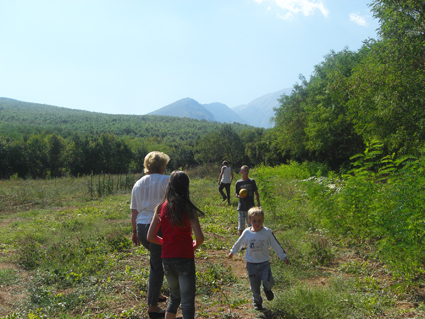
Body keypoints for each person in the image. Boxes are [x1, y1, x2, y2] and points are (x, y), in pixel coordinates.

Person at [147, 171, 205, 319]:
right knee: (187, 301)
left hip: (167, 258)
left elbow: (150, 236)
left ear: (170, 185)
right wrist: (194, 246)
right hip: (184, 257)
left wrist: (165, 242)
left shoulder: (161, 207)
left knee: (174, 297)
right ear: (186, 186)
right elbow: (200, 237)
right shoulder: (188, 208)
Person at [130, 151, 170, 318]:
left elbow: (134, 212)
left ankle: (155, 294)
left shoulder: (138, 183)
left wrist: (134, 232)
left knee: (156, 260)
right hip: (158, 227)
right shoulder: (167, 180)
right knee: (157, 265)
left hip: (141, 228)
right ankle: (153, 306)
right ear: (162, 166)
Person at [228, 207, 290, 311]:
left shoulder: (267, 232)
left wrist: (283, 257)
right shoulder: (247, 232)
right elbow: (240, 242)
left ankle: (267, 289)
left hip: (264, 263)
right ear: (250, 221)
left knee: (268, 280)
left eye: (259, 221)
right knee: (254, 286)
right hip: (251, 264)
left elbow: (275, 245)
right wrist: (233, 251)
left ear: (263, 220)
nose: (257, 223)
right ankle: (257, 302)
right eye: (254, 221)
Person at [235, 165, 260, 236]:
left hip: (250, 207)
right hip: (241, 207)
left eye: (247, 171)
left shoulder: (252, 181)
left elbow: (256, 193)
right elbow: (236, 194)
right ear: (241, 172)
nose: (246, 172)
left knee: (251, 226)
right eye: (244, 171)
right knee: (241, 227)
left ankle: (251, 242)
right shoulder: (238, 183)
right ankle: (241, 244)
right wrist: (239, 196)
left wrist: (258, 204)